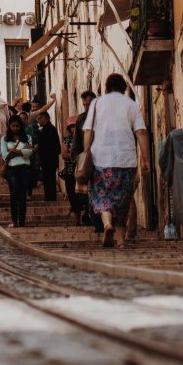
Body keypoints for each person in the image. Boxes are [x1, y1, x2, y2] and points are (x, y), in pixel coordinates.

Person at [79, 73, 149, 246]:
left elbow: (88, 131)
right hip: (126, 160)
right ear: (124, 88)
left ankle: (107, 224)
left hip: (100, 159)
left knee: (102, 196)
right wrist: (145, 158)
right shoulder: (131, 104)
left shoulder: (96, 103)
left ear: (107, 87)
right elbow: (140, 132)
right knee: (122, 201)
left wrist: (86, 151)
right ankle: (120, 241)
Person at [66, 90, 97, 225]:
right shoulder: (81, 119)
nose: (87, 107)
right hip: (87, 161)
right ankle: (93, 220)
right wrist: (78, 159)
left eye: (89, 104)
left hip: (103, 159)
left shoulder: (103, 116)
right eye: (84, 105)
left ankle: (100, 222)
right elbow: (76, 142)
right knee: (88, 191)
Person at [1, 115, 36, 227]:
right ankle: (14, 221)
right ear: (9, 126)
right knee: (14, 193)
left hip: (24, 168)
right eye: (13, 126)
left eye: (17, 126)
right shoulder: (4, 139)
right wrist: (21, 151)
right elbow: (5, 155)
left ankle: (22, 222)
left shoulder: (28, 138)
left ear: (21, 126)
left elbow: (29, 152)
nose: (15, 128)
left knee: (22, 196)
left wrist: (14, 151)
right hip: (11, 169)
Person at [33, 110, 62, 202]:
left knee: (49, 180)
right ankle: (50, 197)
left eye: (39, 119)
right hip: (49, 159)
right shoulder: (49, 129)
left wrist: (39, 146)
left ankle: (50, 198)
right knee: (49, 180)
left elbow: (50, 145)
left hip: (48, 160)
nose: (38, 121)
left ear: (44, 118)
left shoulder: (48, 129)